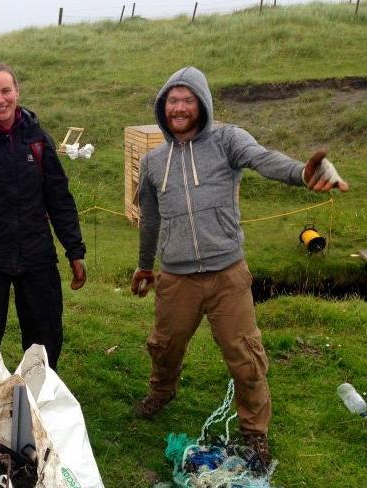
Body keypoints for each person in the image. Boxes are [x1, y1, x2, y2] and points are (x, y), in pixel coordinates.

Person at [131, 66, 349, 467]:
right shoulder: (152, 161)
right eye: (172, 100)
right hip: (176, 276)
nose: (179, 107)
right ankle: (161, 392)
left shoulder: (227, 140)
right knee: (164, 347)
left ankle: (255, 433)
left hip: (227, 274)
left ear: (202, 103)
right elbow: (150, 217)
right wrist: (145, 266)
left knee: (245, 356)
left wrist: (303, 173)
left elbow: (264, 159)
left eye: (187, 99)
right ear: (163, 107)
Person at [0, 63, 87, 371]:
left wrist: (75, 251)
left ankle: (38, 400)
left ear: (17, 92)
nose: (0, 100)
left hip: (37, 257)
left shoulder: (38, 142)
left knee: (45, 340)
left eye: (6, 91)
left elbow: (59, 199)